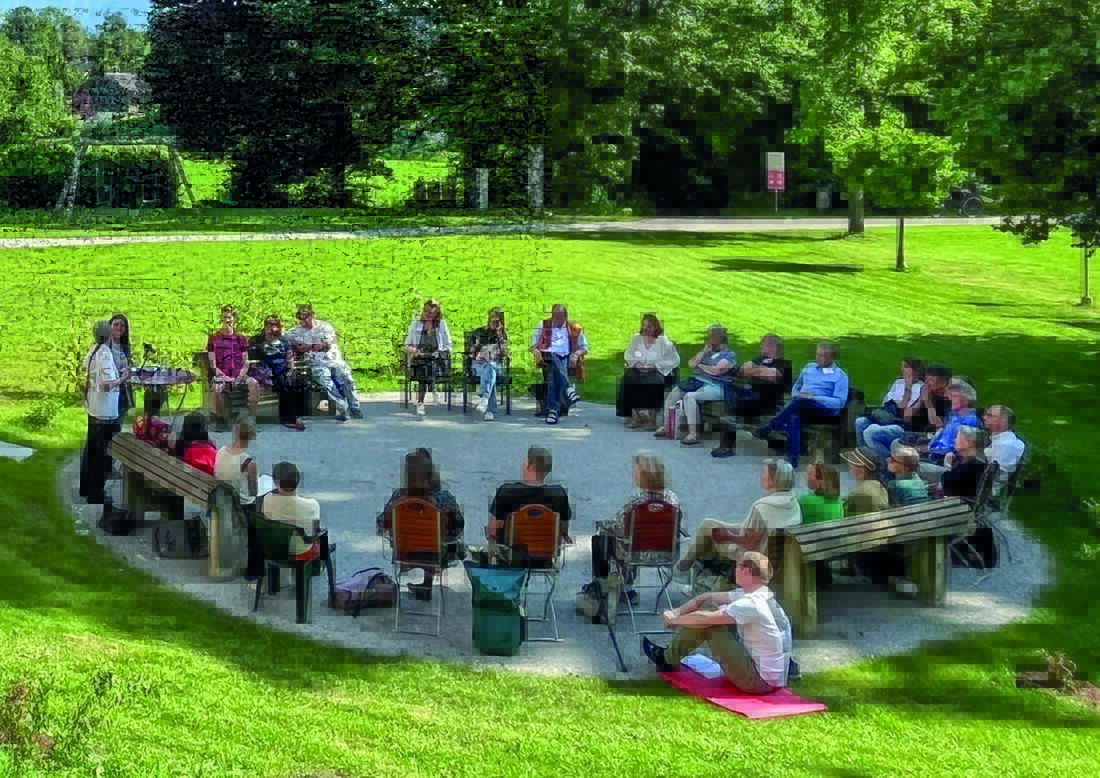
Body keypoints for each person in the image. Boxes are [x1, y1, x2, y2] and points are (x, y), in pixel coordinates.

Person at [641, 552, 793, 695]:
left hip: (759, 683)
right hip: (773, 679)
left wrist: (674, 621)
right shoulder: (760, 595)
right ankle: (668, 657)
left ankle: (666, 659)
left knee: (710, 625)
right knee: (712, 610)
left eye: (737, 566)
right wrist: (677, 612)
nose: (734, 569)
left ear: (746, 571)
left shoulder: (751, 603)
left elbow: (706, 619)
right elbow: (707, 597)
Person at [675, 459, 801, 583]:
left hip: (753, 558)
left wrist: (728, 535)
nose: (761, 475)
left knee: (707, 531)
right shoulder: (793, 503)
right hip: (776, 557)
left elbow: (749, 543)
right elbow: (753, 532)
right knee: (709, 524)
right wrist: (729, 530)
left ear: (774, 480)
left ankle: (682, 570)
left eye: (764, 473)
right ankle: (696, 577)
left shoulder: (762, 506)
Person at [588, 454, 681, 606]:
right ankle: (627, 590)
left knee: (602, 538)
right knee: (632, 539)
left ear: (643, 476)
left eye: (635, 471)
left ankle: (605, 587)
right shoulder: (672, 499)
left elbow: (619, 526)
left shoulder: (637, 501)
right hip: (666, 553)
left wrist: (603, 525)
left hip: (635, 553)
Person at [377, 449, 465, 600]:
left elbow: (382, 523)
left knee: (422, 538)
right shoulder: (444, 498)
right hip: (437, 555)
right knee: (441, 540)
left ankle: (424, 587)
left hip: (405, 553)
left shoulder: (398, 499)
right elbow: (459, 525)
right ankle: (427, 584)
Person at [752, 342, 849, 468]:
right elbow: (796, 386)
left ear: (833, 357)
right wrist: (797, 395)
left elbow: (839, 402)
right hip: (802, 406)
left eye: (825, 356)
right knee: (795, 418)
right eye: (819, 355)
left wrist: (814, 397)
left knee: (801, 403)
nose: (821, 358)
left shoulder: (840, 376)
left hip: (824, 411)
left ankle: (770, 427)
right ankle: (793, 458)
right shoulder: (809, 367)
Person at [712, 333, 793, 458]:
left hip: (769, 402)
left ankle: (727, 446)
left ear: (773, 346)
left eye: (764, 345)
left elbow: (771, 376)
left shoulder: (784, 364)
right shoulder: (760, 359)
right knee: (731, 388)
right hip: (751, 397)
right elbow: (744, 368)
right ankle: (728, 441)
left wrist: (755, 370)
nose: (761, 347)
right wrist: (760, 370)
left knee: (737, 406)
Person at [654, 325, 736, 447]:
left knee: (690, 397)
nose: (708, 338)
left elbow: (717, 371)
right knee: (675, 393)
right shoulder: (708, 352)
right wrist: (704, 351)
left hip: (716, 386)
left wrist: (701, 366)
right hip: (698, 381)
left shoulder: (728, 355)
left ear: (721, 338)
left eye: (712, 336)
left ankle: (693, 434)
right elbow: (691, 363)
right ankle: (667, 426)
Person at [486, 446, 573, 559]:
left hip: (511, 556)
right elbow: (563, 531)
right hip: (545, 556)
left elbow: (493, 531)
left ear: (529, 465)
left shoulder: (507, 492)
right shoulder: (559, 494)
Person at [79, 321, 126, 506]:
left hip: (94, 407)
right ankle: (96, 493)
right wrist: (124, 377)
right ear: (107, 335)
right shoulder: (105, 353)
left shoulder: (93, 350)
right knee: (100, 453)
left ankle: (85, 487)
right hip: (105, 411)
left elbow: (87, 368)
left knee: (91, 449)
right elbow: (108, 384)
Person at [287, 304, 361, 421]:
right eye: (301, 318)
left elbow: (326, 344)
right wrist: (297, 347)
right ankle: (342, 407)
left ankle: (355, 407)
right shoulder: (295, 332)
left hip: (334, 361)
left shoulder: (325, 327)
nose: (304, 321)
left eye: (306, 318)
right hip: (316, 364)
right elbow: (284, 340)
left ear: (313, 315)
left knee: (347, 377)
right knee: (325, 382)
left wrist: (310, 346)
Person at [617, 313, 681, 430]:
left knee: (654, 382)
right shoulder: (637, 338)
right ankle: (636, 418)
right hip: (639, 368)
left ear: (655, 327)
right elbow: (628, 354)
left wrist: (655, 365)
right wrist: (637, 363)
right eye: (644, 326)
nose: (646, 329)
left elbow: (675, 360)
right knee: (627, 380)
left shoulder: (663, 341)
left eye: (649, 326)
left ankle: (652, 420)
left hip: (657, 371)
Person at [530, 304, 588, 425]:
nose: (556, 318)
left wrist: (576, 355)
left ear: (566, 316)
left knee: (554, 373)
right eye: (554, 315)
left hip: (568, 359)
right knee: (554, 358)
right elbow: (533, 345)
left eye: (560, 316)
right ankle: (568, 389)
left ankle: (553, 410)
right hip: (548, 358)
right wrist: (536, 352)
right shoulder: (543, 325)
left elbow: (584, 348)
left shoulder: (574, 328)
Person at [855, 358, 925, 458]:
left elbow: (904, 411)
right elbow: (885, 402)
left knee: (869, 432)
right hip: (887, 416)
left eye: (906, 367)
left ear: (916, 371)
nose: (903, 370)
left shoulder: (921, 387)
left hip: (901, 423)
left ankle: (885, 462)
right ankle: (865, 456)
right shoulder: (899, 382)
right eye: (903, 368)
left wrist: (908, 389)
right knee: (860, 422)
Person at [251, 314, 308, 431]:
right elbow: (248, 354)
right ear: (265, 326)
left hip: (283, 370)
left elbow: (289, 357)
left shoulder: (283, 341)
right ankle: (289, 419)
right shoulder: (258, 340)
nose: (271, 327)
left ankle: (295, 415)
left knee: (299, 381)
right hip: (267, 372)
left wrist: (290, 370)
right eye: (269, 324)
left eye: (274, 325)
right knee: (284, 383)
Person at [917, 378, 981, 478]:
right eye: (949, 395)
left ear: (967, 399)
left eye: (954, 396)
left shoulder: (970, 421)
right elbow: (940, 438)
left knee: (905, 464)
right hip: (932, 453)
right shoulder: (953, 414)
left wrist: (927, 451)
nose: (949, 398)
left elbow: (960, 451)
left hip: (944, 462)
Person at [206, 305, 260, 419]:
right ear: (221, 319)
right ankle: (220, 418)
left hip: (239, 375)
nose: (227, 320)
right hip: (221, 375)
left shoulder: (241, 338)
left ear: (234, 319)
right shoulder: (213, 338)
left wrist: (240, 377)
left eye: (229, 317)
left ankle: (251, 417)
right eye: (225, 317)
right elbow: (212, 363)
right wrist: (224, 377)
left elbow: (246, 361)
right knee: (216, 387)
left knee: (254, 384)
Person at [404, 299, 453, 417]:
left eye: (431, 313)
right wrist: (413, 350)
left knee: (428, 366)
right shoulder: (416, 324)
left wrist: (440, 351)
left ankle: (420, 403)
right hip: (419, 358)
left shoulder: (441, 324)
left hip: (437, 359)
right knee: (424, 367)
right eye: (426, 312)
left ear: (436, 314)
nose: (428, 315)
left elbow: (449, 345)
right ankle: (431, 388)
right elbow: (406, 345)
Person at [261, 462, 322, 557]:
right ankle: (319, 565)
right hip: (300, 551)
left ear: (276, 482)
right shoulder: (312, 505)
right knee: (323, 539)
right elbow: (314, 532)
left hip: (273, 547)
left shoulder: (267, 499)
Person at [467, 307, 509, 422]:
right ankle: (489, 410)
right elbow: (470, 352)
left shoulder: (502, 335)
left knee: (491, 367)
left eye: (497, 320)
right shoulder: (479, 332)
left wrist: (499, 335)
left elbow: (505, 354)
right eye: (492, 319)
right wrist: (479, 351)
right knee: (490, 372)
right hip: (479, 365)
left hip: (496, 365)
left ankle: (485, 399)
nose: (494, 322)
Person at [214, 414, 259, 506]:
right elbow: (254, 492)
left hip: (220, 499)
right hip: (240, 507)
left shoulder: (221, 450)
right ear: (252, 436)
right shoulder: (249, 463)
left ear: (235, 431)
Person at [938, 427, 989, 500]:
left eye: (957, 437)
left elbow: (950, 488)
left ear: (969, 443)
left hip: (961, 504)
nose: (954, 440)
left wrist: (947, 465)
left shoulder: (973, 466)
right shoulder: (973, 462)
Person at [982, 405, 1026, 488]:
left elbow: (991, 475)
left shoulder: (1008, 445)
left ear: (1003, 421)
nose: (984, 417)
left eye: (990, 416)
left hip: (985, 493)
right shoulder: (1000, 440)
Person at [840, 447, 890, 516]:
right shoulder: (877, 484)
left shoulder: (861, 494)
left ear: (861, 469)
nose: (850, 470)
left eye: (851, 466)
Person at [107, 313, 136, 422]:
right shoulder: (105, 346)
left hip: (123, 389)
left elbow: (126, 362)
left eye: (122, 326)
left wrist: (129, 367)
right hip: (110, 389)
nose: (119, 328)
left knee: (120, 419)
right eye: (116, 325)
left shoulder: (124, 345)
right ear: (110, 327)